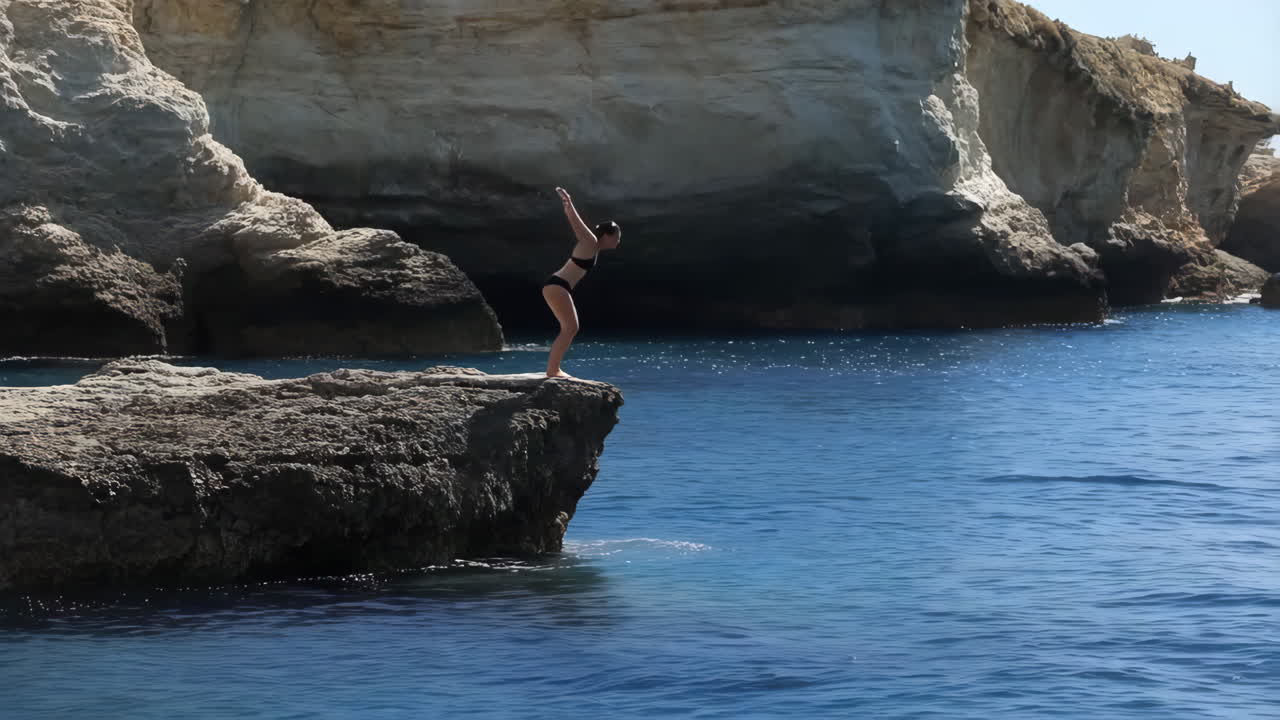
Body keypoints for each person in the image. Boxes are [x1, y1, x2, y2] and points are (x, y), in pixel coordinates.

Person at [541, 187, 622, 378]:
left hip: (558, 286)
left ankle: (554, 369)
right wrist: (568, 203)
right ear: (606, 236)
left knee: (570, 327)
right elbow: (576, 225)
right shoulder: (590, 242)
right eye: (617, 237)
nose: (618, 242)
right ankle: (553, 370)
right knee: (570, 328)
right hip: (557, 286)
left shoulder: (593, 247)